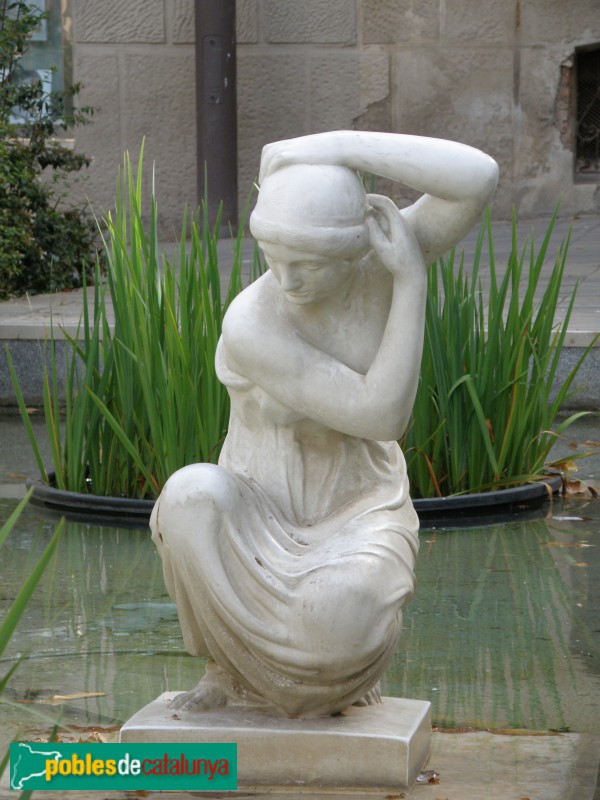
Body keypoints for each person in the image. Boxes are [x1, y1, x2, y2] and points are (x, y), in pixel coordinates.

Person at [150, 131, 498, 718]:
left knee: (340, 615)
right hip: (259, 508)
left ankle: (338, 673)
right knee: (188, 496)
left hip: (356, 512)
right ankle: (228, 670)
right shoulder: (252, 323)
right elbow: (381, 413)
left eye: (308, 264)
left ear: (353, 250)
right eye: (273, 260)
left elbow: (477, 177)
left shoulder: (380, 265)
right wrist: (411, 278)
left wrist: (337, 147)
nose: (288, 281)